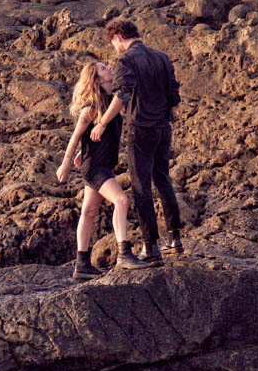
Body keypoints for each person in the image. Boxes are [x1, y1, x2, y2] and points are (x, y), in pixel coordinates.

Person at [89, 17, 183, 268]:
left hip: (141, 130)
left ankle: (150, 246)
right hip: (163, 128)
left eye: (112, 43)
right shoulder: (162, 57)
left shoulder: (126, 60)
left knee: (141, 187)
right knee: (164, 180)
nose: (114, 50)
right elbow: (174, 97)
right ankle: (175, 240)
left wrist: (102, 123)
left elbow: (122, 95)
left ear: (117, 37)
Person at [56, 61, 131, 279]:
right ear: (97, 79)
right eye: (103, 68)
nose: (109, 67)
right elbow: (76, 136)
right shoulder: (91, 107)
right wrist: (66, 162)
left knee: (89, 212)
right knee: (121, 201)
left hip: (102, 163)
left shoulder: (112, 101)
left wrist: (85, 150)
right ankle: (124, 253)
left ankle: (81, 265)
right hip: (95, 168)